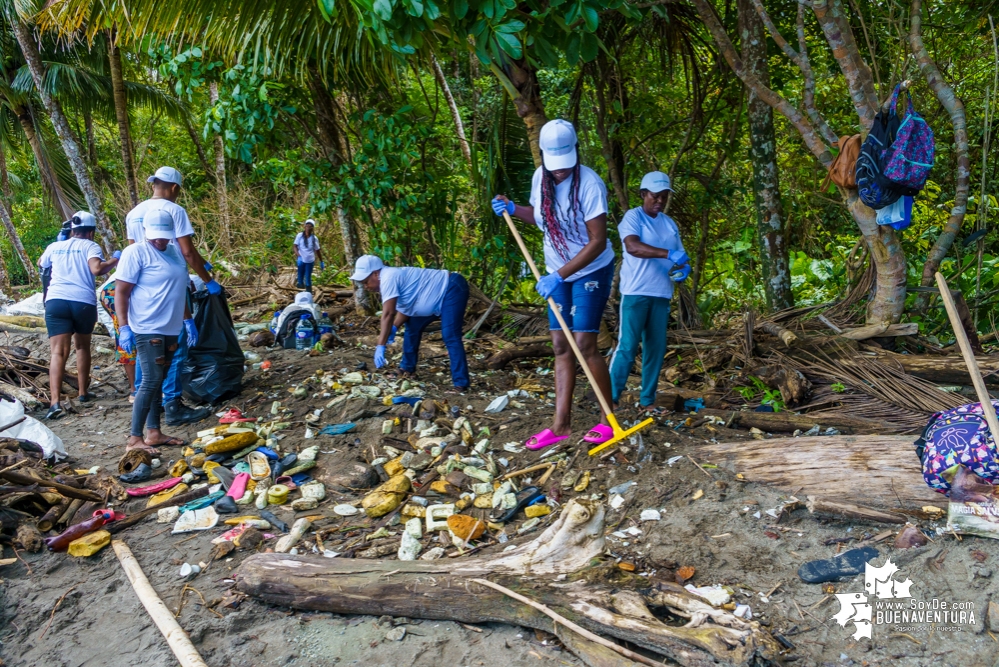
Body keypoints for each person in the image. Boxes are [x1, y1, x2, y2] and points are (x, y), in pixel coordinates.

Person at [492, 119, 615, 450]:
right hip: (555, 270)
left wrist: (558, 275)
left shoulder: (590, 185)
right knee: (560, 344)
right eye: (554, 165)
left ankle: (609, 421)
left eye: (565, 165)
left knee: (584, 343)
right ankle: (560, 426)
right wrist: (513, 209)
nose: (560, 171)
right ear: (544, 156)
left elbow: (598, 241)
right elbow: (544, 219)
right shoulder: (540, 177)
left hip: (590, 269)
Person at [125, 166, 213, 424]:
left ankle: (149, 404)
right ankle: (172, 404)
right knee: (175, 347)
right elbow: (187, 253)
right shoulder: (175, 211)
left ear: (154, 184)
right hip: (170, 286)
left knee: (147, 353)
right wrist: (208, 280)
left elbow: (134, 254)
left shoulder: (133, 214)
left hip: (143, 292)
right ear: (175, 188)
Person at [115, 209, 198, 455]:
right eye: (155, 237)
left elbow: (179, 288)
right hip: (146, 326)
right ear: (146, 233)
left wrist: (187, 319)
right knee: (150, 380)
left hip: (170, 327)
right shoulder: (135, 252)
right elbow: (121, 292)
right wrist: (125, 327)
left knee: (158, 380)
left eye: (164, 236)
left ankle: (154, 432)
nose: (160, 240)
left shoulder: (174, 253)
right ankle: (134, 438)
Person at [608, 171, 690, 410]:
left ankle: (647, 400)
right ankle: (611, 397)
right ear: (643, 194)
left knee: (656, 348)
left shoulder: (669, 223)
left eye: (664, 196)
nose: (660, 201)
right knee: (628, 345)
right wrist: (667, 254)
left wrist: (684, 267)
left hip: (661, 293)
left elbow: (681, 256)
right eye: (655, 196)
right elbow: (632, 247)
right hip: (636, 291)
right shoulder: (633, 217)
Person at [39, 212, 119, 419]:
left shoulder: (54, 247)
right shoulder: (90, 246)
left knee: (57, 352)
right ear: (91, 232)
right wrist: (115, 259)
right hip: (82, 302)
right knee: (82, 346)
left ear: (71, 230)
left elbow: (42, 264)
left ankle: (55, 402)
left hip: (55, 301)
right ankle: (83, 392)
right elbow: (97, 269)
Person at [349, 254, 470, 390]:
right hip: (436, 298)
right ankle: (407, 368)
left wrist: (380, 345)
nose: (366, 286)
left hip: (451, 288)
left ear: (376, 274)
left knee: (450, 335)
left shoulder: (389, 277)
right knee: (412, 327)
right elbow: (406, 308)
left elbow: (388, 313)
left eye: (366, 282)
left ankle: (461, 383)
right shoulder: (390, 278)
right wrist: (394, 327)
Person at [294, 219, 325, 290]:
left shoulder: (314, 238)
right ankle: (300, 295)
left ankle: (308, 294)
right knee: (300, 279)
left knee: (307, 279)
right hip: (301, 260)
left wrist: (321, 261)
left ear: (312, 228)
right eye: (307, 226)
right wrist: (298, 255)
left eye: (310, 226)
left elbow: (317, 250)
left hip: (309, 261)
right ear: (304, 226)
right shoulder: (299, 236)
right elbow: (295, 246)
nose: (308, 227)